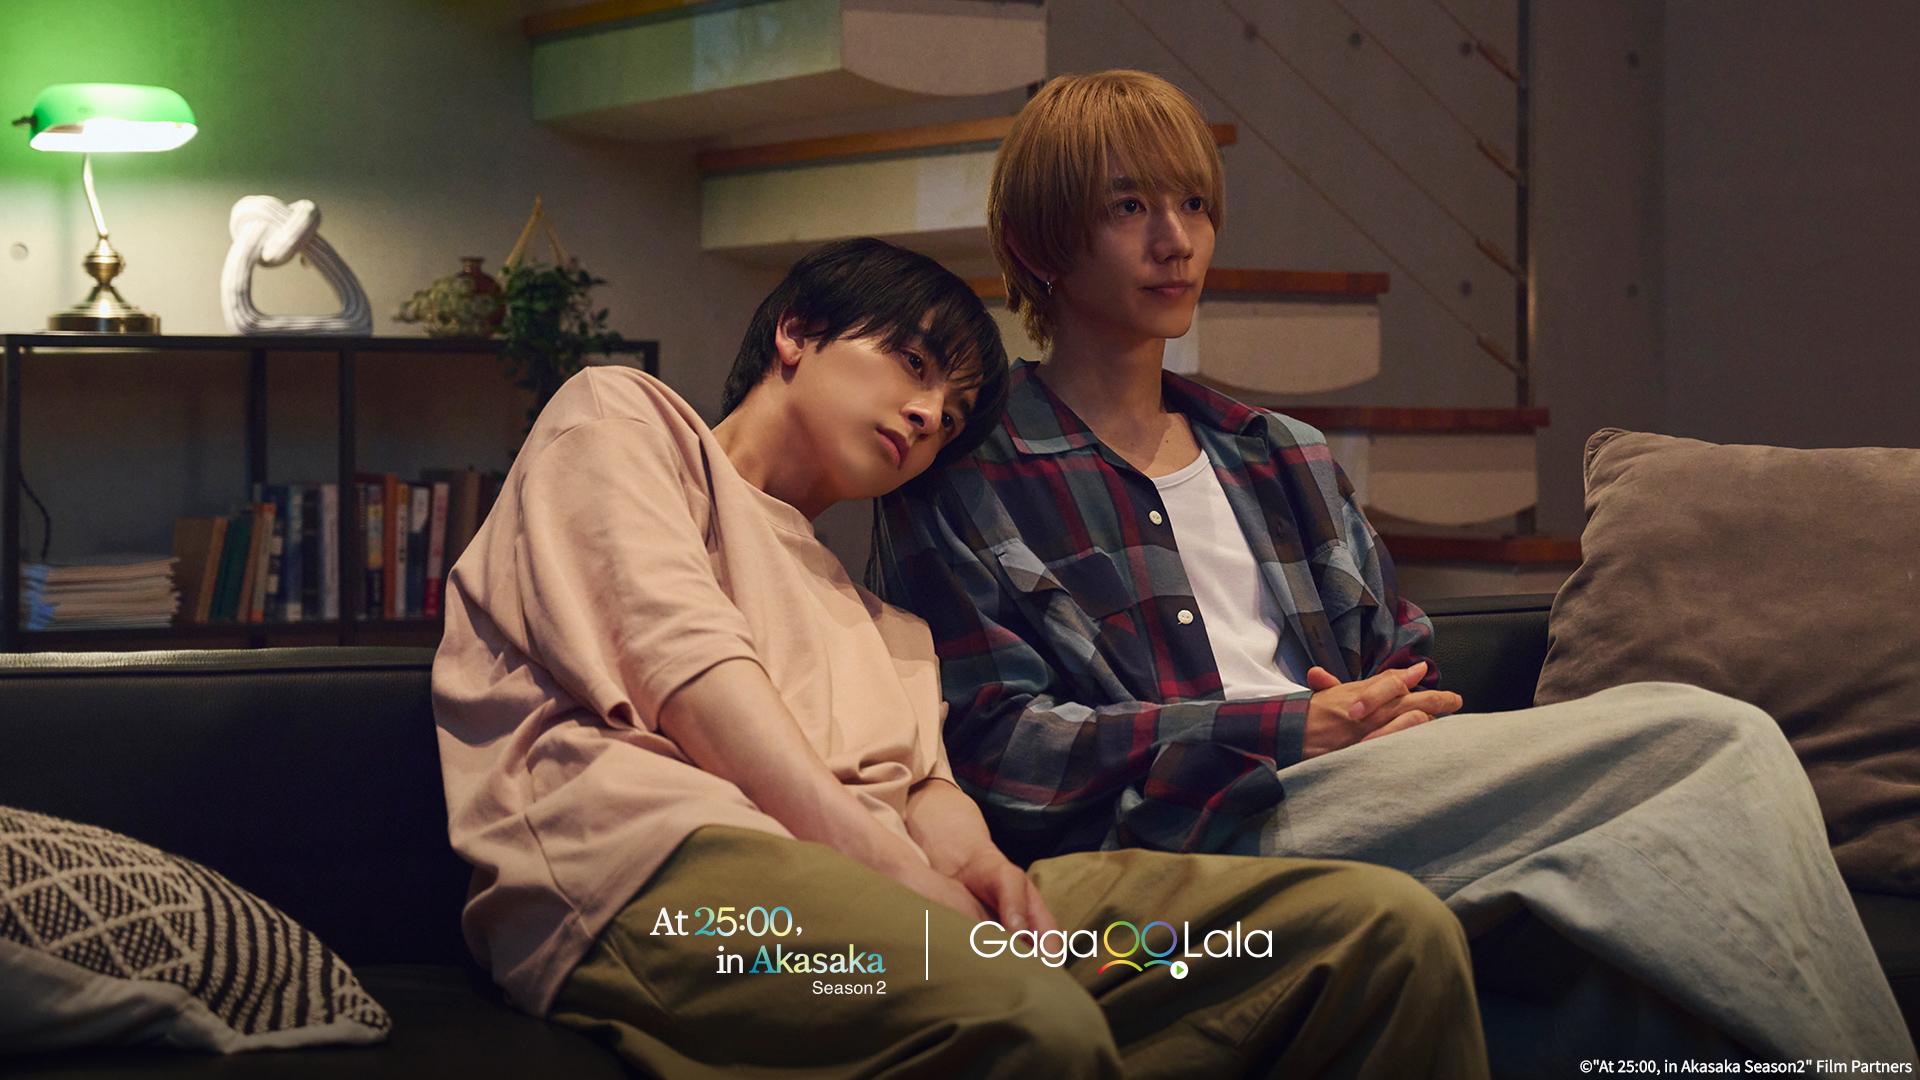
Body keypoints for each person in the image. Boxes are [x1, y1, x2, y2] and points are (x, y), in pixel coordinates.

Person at [877, 71, 1917, 1073]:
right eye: (1128, 207)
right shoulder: (966, 469)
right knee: (1711, 739)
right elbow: (1001, 748)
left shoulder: (1278, 455)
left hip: (1366, 789)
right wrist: (1287, 729)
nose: (1175, 239)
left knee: (1632, 946)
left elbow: (1400, 655)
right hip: (1194, 830)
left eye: (1193, 203)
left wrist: (1384, 714)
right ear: (1037, 245)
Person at [433, 236, 1490, 1078]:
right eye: (914, 365)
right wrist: (894, 866)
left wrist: (978, 867)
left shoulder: (883, 620)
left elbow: (927, 788)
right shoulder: (629, 422)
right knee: (1027, 1020)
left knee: (1379, 932)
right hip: (679, 888)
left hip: (894, 897)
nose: (930, 413)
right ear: (797, 333)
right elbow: (689, 670)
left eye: (951, 413)